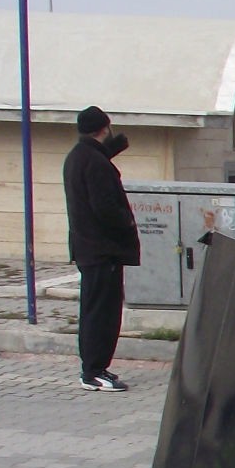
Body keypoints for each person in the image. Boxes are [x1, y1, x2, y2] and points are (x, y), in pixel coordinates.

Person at [62, 105, 139, 392]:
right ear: (104, 129)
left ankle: (93, 368)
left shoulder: (77, 157)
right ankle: (95, 371)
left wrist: (113, 150)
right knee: (102, 314)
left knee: (93, 309)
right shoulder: (95, 163)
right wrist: (128, 223)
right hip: (103, 249)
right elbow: (105, 205)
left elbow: (94, 163)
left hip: (87, 248)